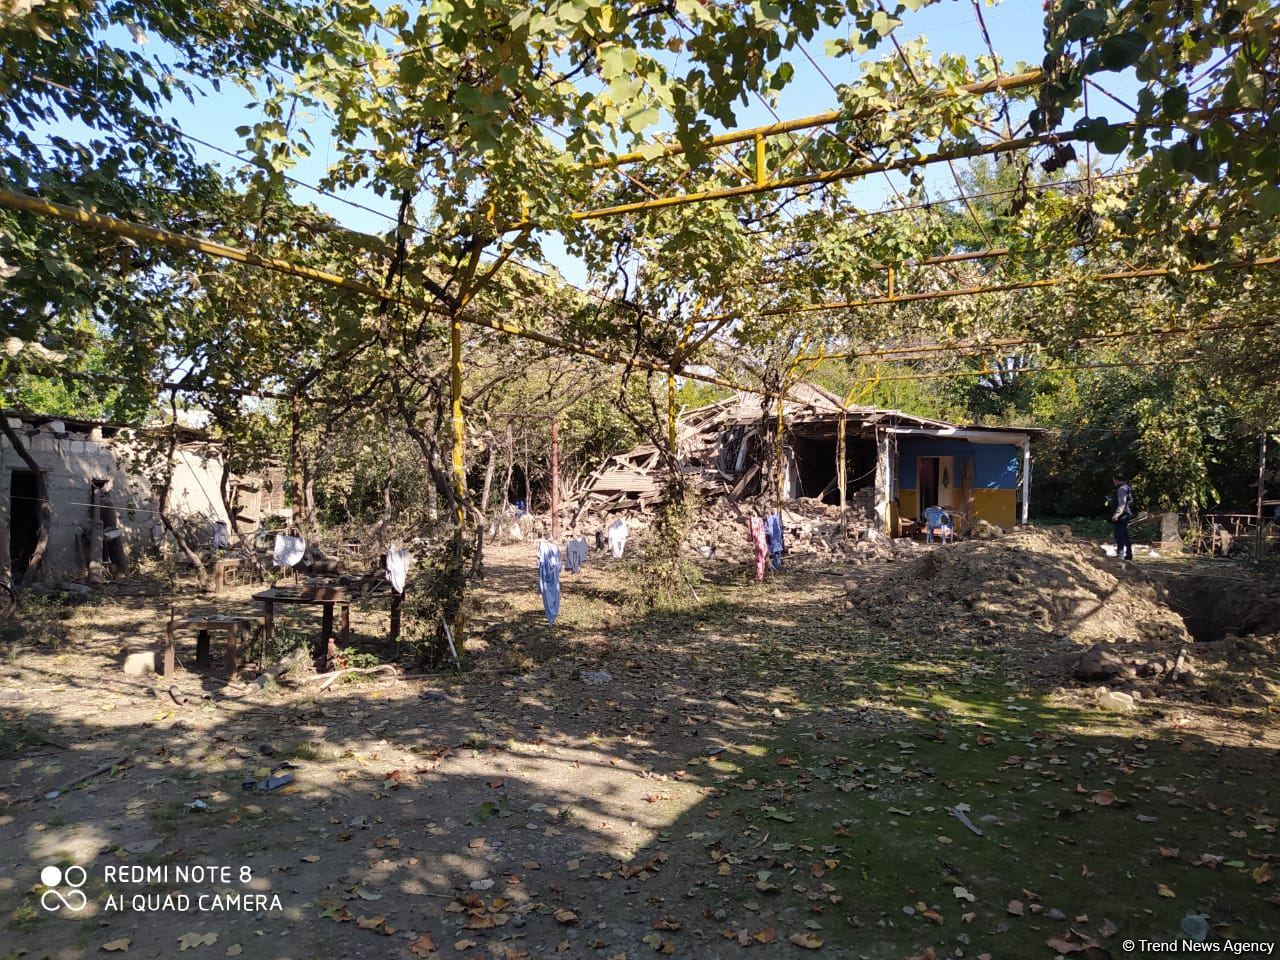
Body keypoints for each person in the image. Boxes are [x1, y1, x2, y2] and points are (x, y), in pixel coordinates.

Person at [1110, 474, 1133, 561]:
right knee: (1125, 534)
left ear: (1117, 480)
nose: (1114, 483)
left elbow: (1122, 503)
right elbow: (1130, 501)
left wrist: (1117, 514)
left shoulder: (1121, 489)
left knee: (1120, 535)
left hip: (1122, 515)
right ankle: (1129, 554)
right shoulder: (1127, 487)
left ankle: (1120, 554)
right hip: (1126, 513)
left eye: (1114, 481)